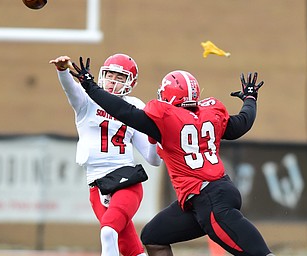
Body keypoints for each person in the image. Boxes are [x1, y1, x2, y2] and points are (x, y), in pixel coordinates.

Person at [70, 56, 275, 256]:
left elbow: (123, 111)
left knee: (258, 253)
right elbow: (242, 123)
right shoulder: (210, 114)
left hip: (210, 200)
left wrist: (90, 86)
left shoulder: (167, 121)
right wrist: (250, 98)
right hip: (202, 197)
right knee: (153, 236)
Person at [49, 54, 162, 256]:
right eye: (110, 75)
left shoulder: (135, 106)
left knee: (109, 232)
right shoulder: (87, 101)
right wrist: (63, 71)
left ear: (130, 83)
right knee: (130, 250)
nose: (112, 81)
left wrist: (155, 137)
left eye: (119, 78)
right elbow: (71, 90)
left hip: (126, 180)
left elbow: (153, 159)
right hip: (97, 185)